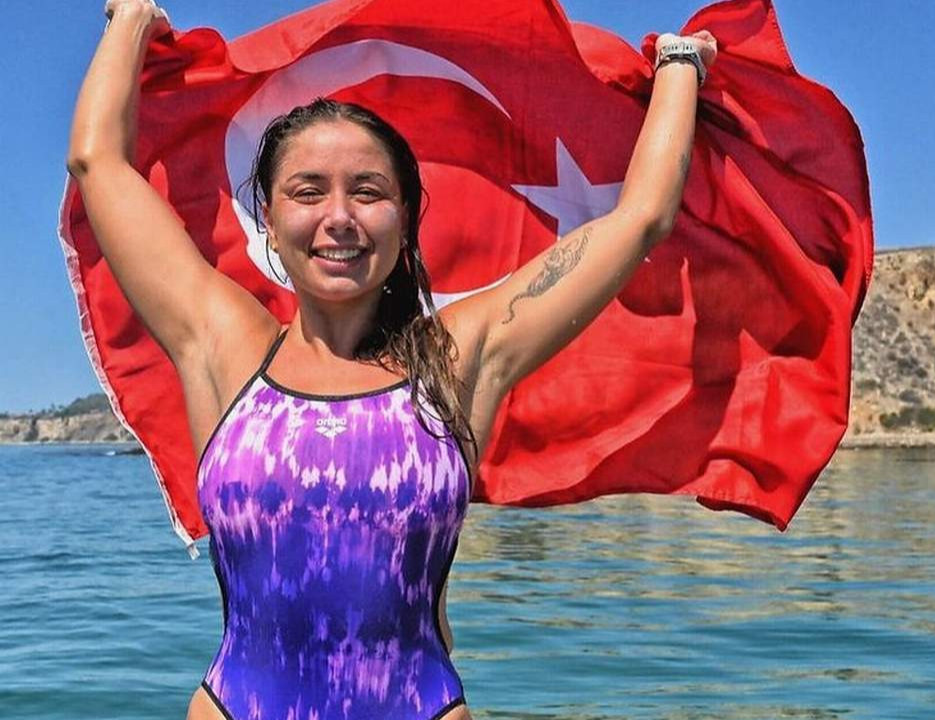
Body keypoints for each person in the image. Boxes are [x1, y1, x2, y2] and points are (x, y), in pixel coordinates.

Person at [67, 1, 716, 717]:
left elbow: (641, 217)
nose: (339, 217)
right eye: (308, 192)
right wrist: (132, 21)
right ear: (270, 223)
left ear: (404, 221)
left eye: (368, 192)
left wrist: (679, 66)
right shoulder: (221, 344)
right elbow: (98, 163)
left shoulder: (458, 358)